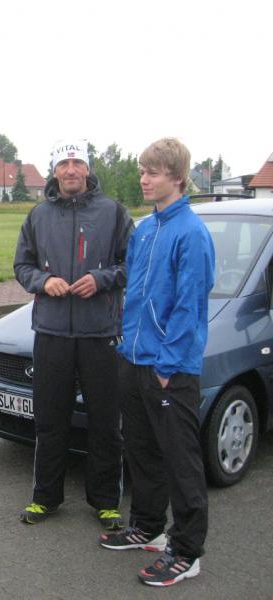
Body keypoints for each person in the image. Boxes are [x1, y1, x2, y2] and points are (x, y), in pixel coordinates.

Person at [100, 138, 214, 587]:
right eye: (142, 171)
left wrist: (166, 365)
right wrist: (125, 343)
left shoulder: (191, 233)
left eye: (153, 172)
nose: (143, 179)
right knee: (141, 450)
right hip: (133, 358)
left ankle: (186, 551)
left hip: (170, 369)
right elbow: (134, 294)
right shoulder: (145, 229)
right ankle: (148, 527)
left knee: (181, 461)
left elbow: (189, 306)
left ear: (178, 178)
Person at [13, 139, 134, 528]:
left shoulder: (113, 212)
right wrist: (42, 281)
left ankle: (106, 502)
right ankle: (45, 498)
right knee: (50, 421)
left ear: (87, 169)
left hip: (100, 332)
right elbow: (22, 265)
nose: (70, 170)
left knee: (105, 422)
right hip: (51, 333)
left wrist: (101, 279)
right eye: (63, 164)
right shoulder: (38, 215)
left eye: (77, 163)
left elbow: (130, 264)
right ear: (54, 172)